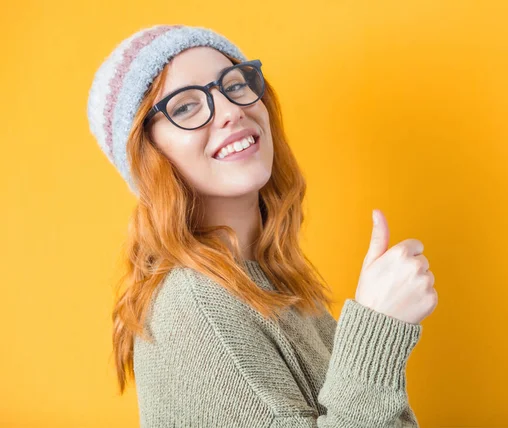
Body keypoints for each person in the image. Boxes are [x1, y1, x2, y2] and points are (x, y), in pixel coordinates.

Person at [86, 24, 437, 428]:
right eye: (185, 107)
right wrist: (377, 331)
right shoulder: (194, 304)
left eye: (235, 84)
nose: (232, 110)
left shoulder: (275, 282)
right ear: (145, 155)